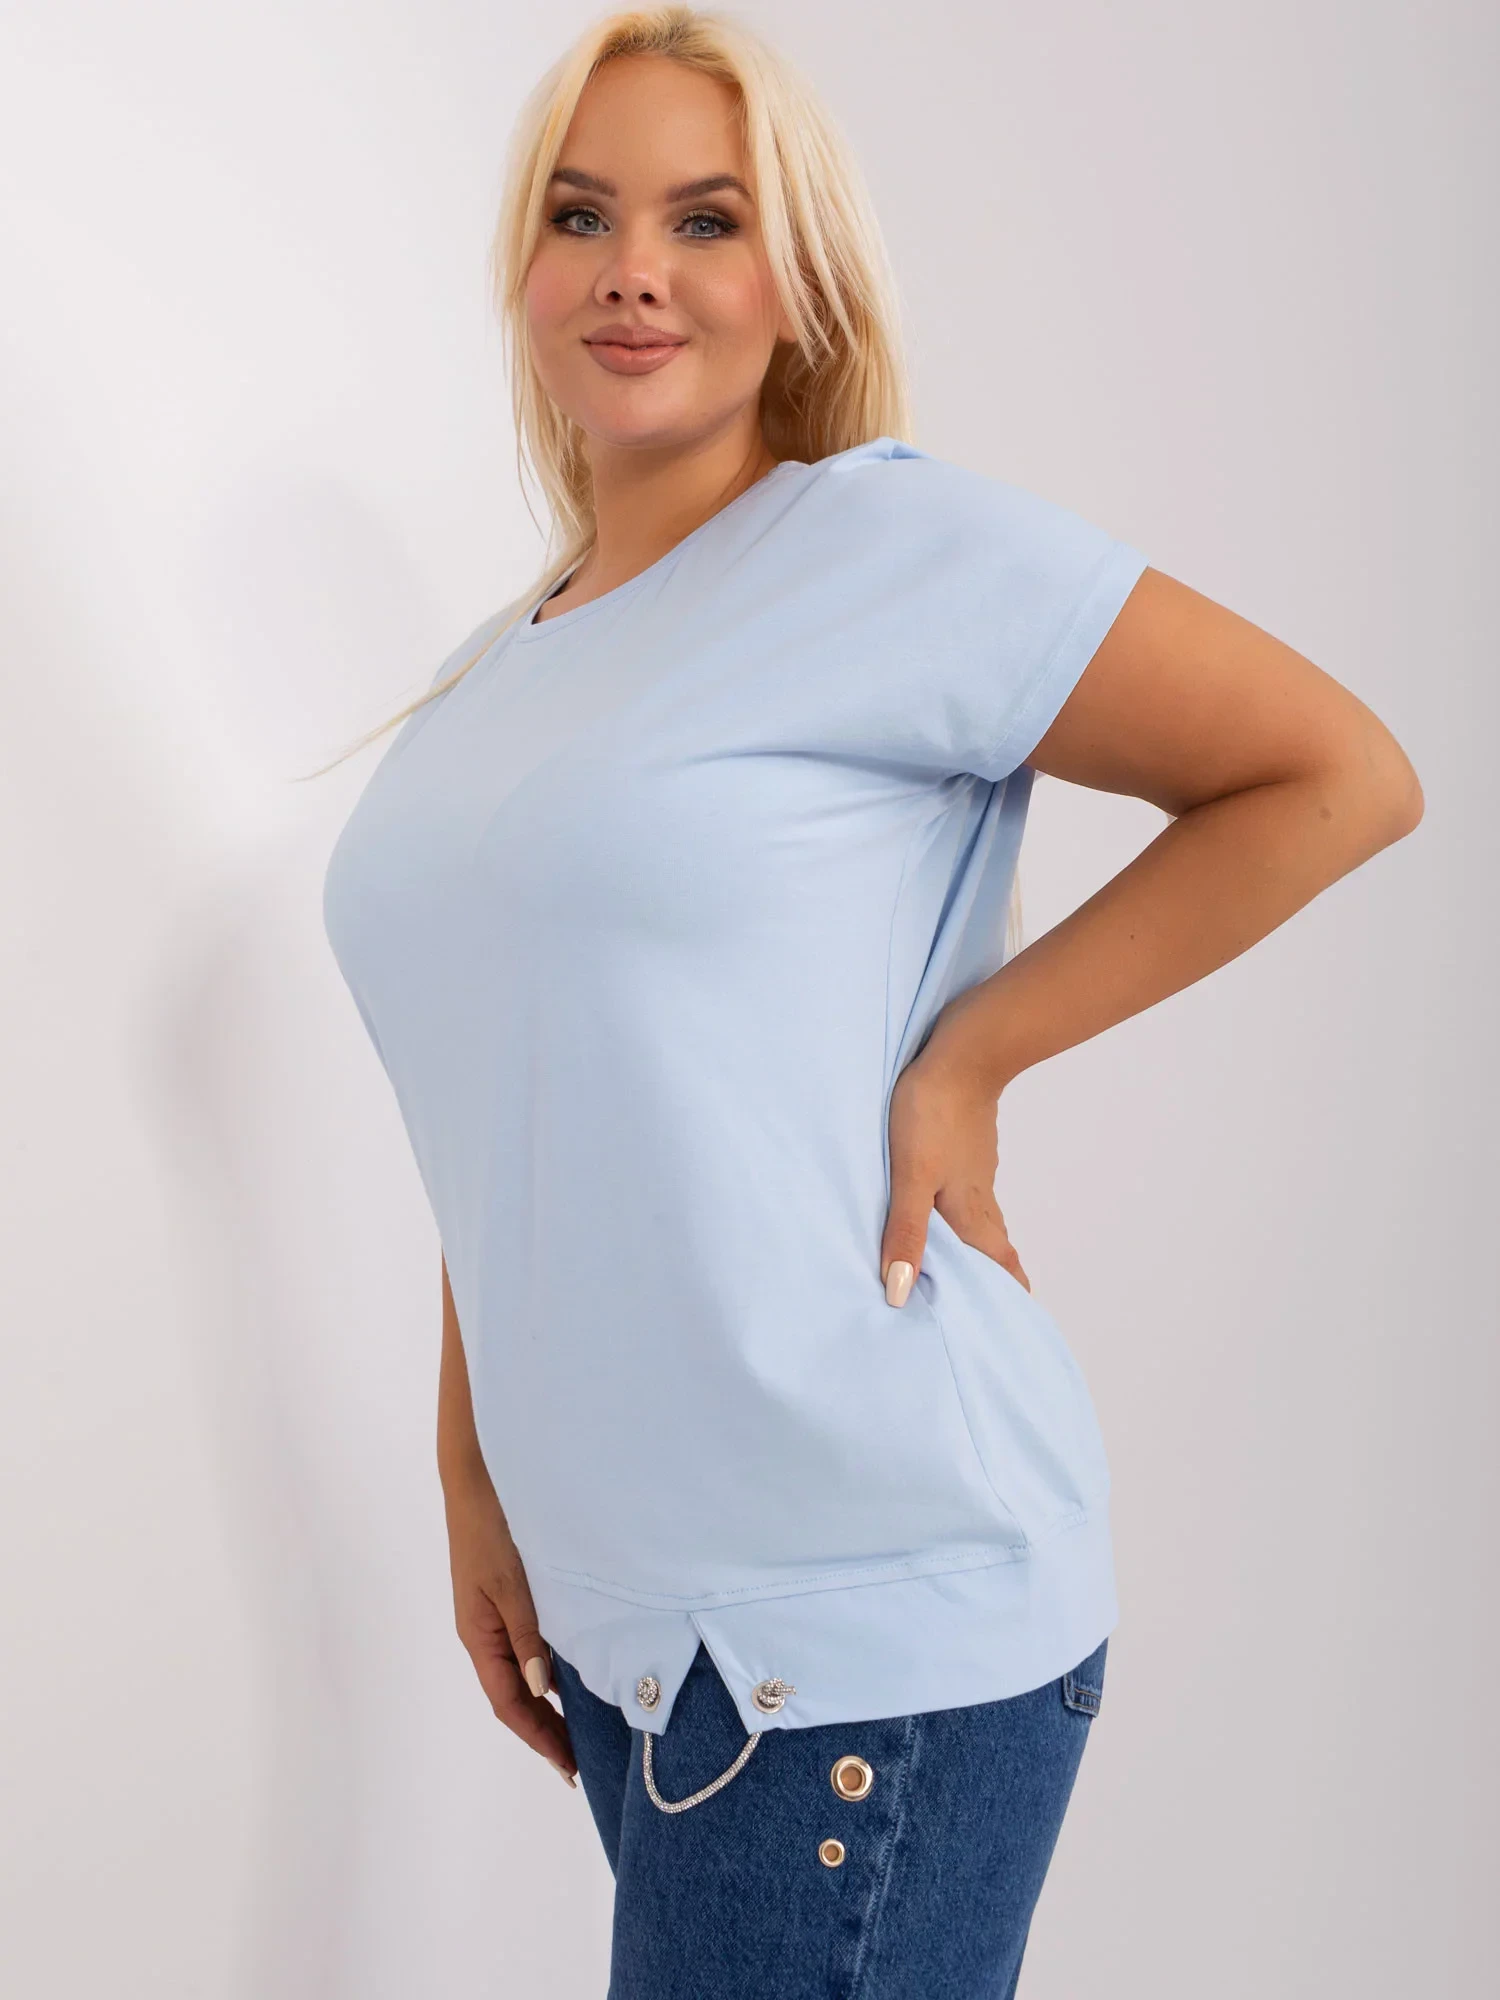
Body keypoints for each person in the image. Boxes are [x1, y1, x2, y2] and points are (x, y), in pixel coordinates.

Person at [318, 8, 1423, 1994]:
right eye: (580, 214)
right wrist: (474, 1470)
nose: (634, 269)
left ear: (799, 277)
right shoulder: (501, 670)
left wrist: (972, 1056)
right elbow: (525, 1100)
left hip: (859, 1606)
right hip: (641, 1627)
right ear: (523, 263)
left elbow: (1335, 772)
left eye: (706, 219)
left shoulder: (890, 549)